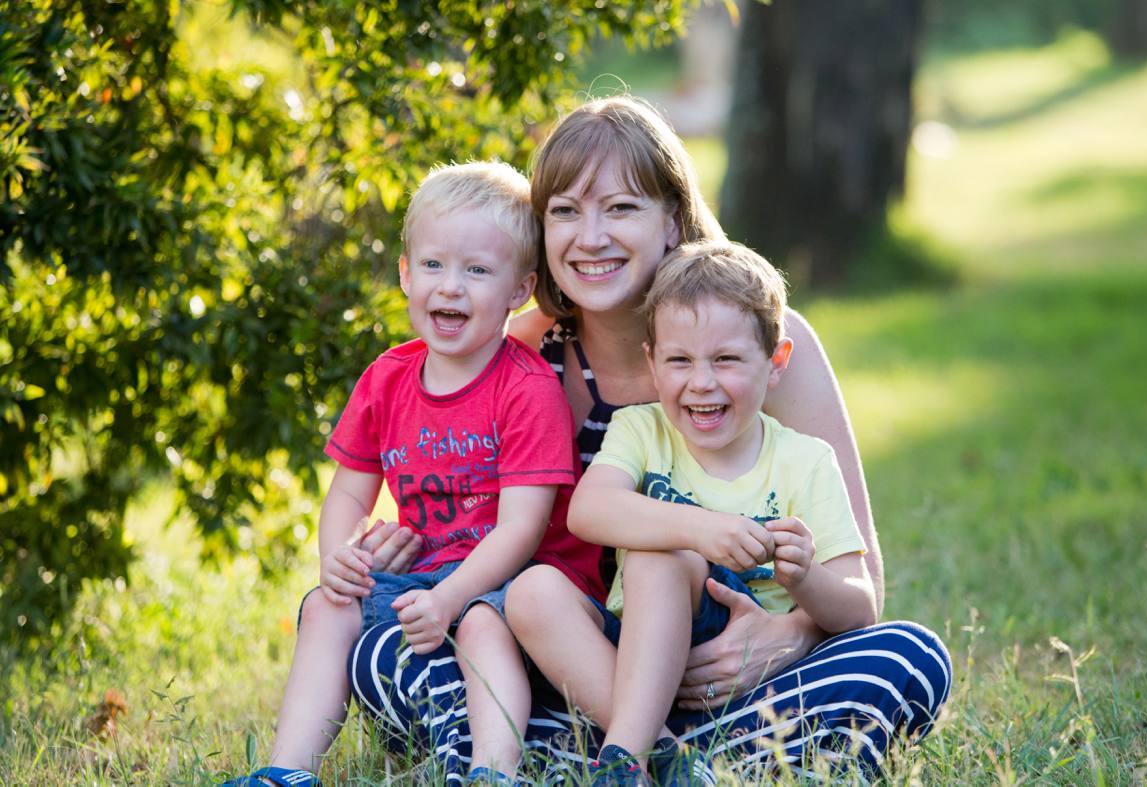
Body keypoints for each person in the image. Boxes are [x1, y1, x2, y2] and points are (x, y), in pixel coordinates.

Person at [350, 96, 952, 781]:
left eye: (621, 208)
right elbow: (464, 516)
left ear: (671, 220)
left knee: (909, 657)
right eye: (566, 211)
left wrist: (789, 634)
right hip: (570, 661)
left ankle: (606, 755)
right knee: (379, 651)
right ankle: (663, 753)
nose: (591, 236)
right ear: (541, 231)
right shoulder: (517, 355)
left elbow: (861, 583)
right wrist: (399, 539)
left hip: (738, 666)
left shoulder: (769, 344)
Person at [225, 162, 603, 787]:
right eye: (432, 265)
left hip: (513, 582)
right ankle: (285, 772)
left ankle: (492, 772)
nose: (450, 288)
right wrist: (339, 558)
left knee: (480, 623)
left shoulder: (527, 388)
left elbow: (521, 530)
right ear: (405, 273)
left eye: (477, 270)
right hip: (423, 575)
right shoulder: (388, 378)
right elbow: (349, 492)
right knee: (327, 606)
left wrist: (451, 598)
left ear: (520, 289)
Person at [534, 240, 879, 784]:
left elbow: (860, 611)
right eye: (679, 360)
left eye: (726, 359)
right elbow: (588, 509)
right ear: (651, 362)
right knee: (535, 593)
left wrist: (806, 578)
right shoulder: (641, 430)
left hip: (748, 672)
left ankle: (623, 752)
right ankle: (651, 757)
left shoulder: (805, 462)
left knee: (908, 655)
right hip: (633, 654)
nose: (701, 381)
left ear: (777, 361)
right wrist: (704, 529)